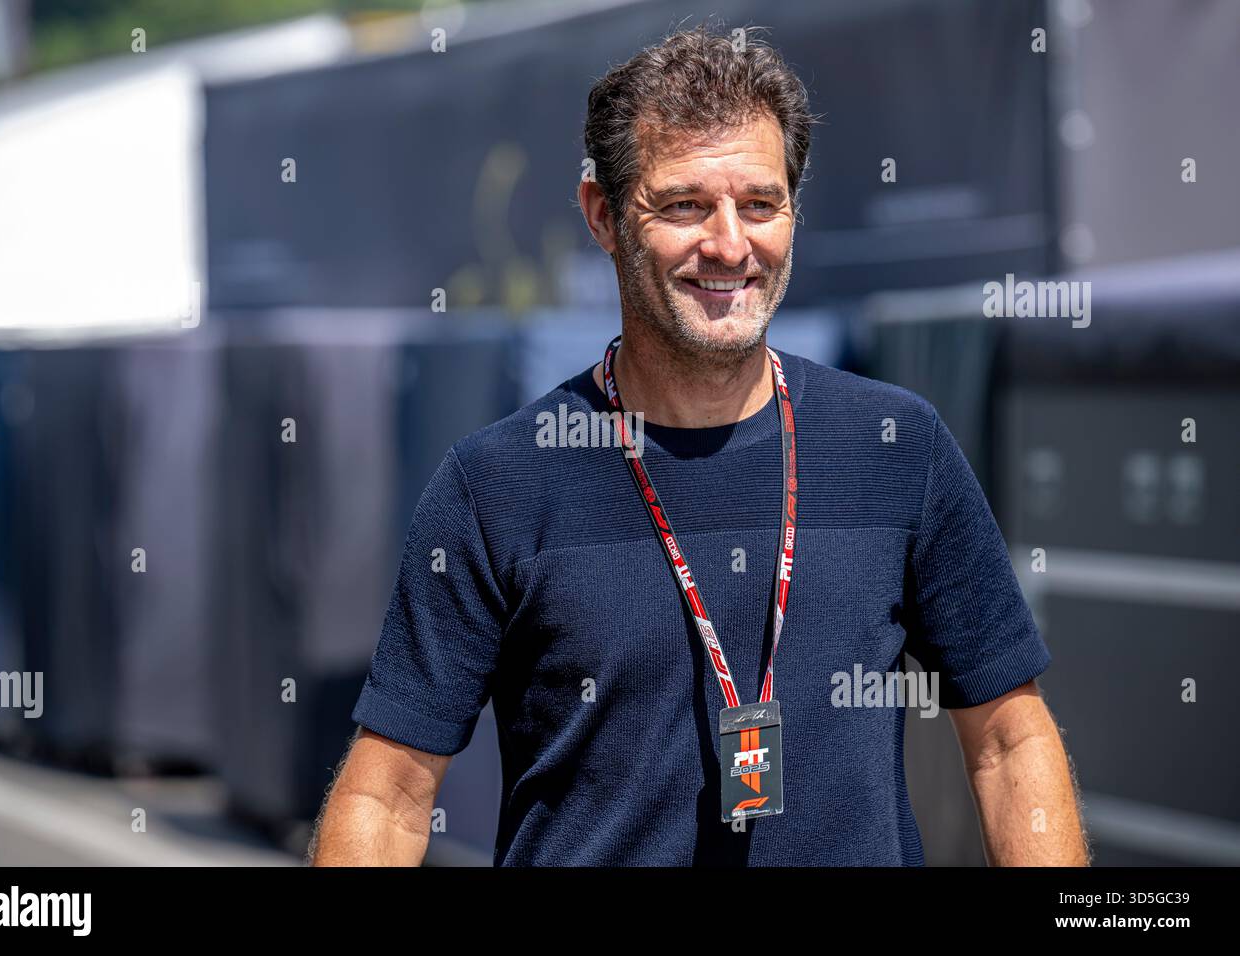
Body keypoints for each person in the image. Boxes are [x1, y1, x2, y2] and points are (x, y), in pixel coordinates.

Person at [310, 24, 1089, 867]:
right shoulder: (496, 485)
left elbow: (1011, 739)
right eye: (684, 205)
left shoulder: (896, 448)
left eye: (760, 204)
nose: (729, 244)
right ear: (604, 216)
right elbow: (386, 794)